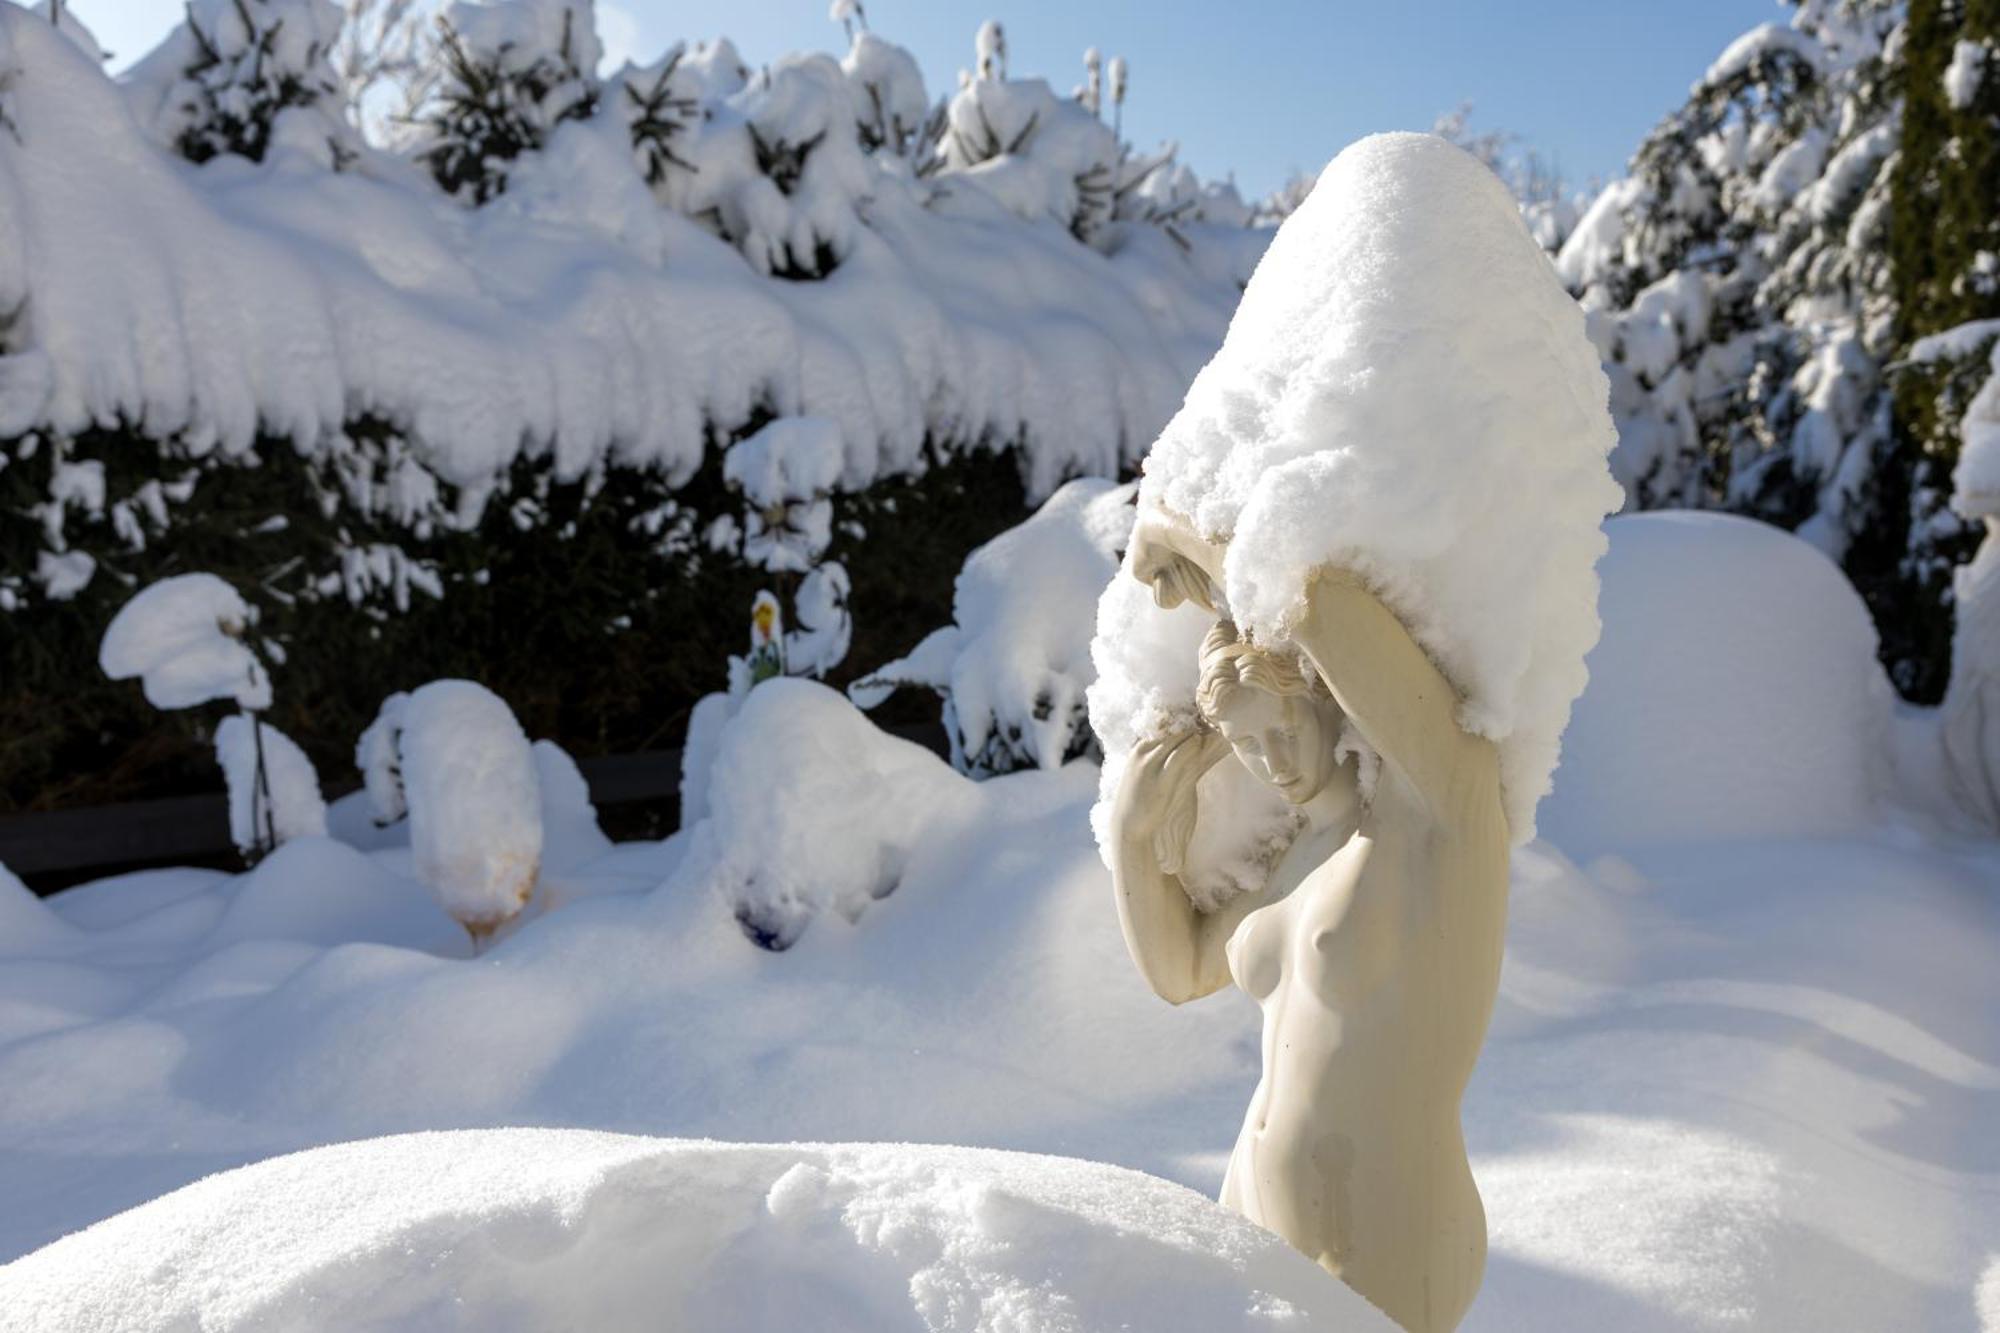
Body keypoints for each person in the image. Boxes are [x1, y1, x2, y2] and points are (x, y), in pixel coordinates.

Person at [1109, 516, 1510, 1333]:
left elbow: (1316, 604)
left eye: (1285, 726)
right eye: (1247, 745)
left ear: (1329, 696)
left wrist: (1180, 531)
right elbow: (1181, 970)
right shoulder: (1302, 855)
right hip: (1256, 1211)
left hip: (1387, 1221)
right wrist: (1135, 841)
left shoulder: (1442, 808)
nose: (1275, 762)